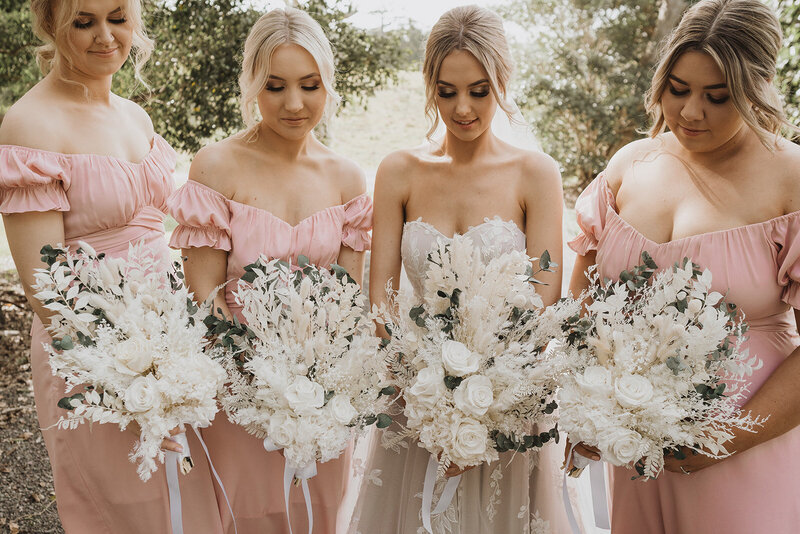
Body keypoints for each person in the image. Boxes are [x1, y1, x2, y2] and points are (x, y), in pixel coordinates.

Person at [567, 0, 800, 532]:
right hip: (636, 443)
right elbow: (582, 306)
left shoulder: (791, 178)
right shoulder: (631, 163)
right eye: (678, 89)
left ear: (758, 86)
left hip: (745, 441)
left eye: (718, 97)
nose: (691, 112)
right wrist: (587, 403)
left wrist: (725, 439)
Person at [0, 0, 223, 531]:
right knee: (129, 509)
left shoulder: (134, 114)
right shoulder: (31, 123)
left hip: (170, 337)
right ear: (50, 24)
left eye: (117, 18)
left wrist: (182, 342)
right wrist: (124, 373)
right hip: (90, 351)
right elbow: (44, 287)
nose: (105, 36)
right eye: (84, 22)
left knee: (190, 503)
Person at [347, 6, 566, 533]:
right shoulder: (399, 171)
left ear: (502, 83)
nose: (462, 108)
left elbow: (545, 296)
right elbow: (380, 298)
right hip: (415, 401)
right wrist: (425, 390)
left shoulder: (535, 174)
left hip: (507, 400)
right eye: (447, 92)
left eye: (479, 90)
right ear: (430, 87)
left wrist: (486, 393)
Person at [167, 7, 371, 533]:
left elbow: (348, 299)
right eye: (275, 86)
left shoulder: (347, 178)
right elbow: (204, 293)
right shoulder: (216, 166)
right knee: (245, 515)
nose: (294, 103)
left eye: (310, 85)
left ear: (329, 84)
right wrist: (256, 375)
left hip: (321, 389)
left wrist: (321, 377)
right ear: (253, 84)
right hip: (237, 384)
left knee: (319, 514)